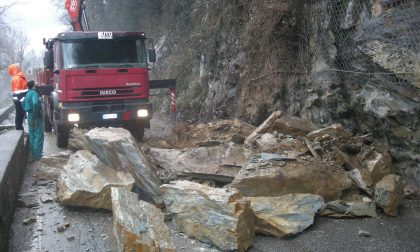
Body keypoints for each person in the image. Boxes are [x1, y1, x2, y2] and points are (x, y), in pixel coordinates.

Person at [23, 80, 44, 161]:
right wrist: (36, 113)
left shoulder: (27, 93)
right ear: (33, 86)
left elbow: (23, 103)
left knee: (32, 135)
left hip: (30, 116)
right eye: (35, 84)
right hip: (36, 117)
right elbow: (35, 103)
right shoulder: (34, 93)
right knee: (38, 135)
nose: (37, 85)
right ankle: (37, 156)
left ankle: (33, 154)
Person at [8, 63, 28, 130]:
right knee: (19, 113)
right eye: (17, 67)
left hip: (19, 99)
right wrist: (23, 101)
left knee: (20, 113)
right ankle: (19, 127)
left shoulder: (18, 76)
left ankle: (19, 127)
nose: (19, 68)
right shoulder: (17, 78)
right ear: (14, 69)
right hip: (19, 99)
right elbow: (18, 92)